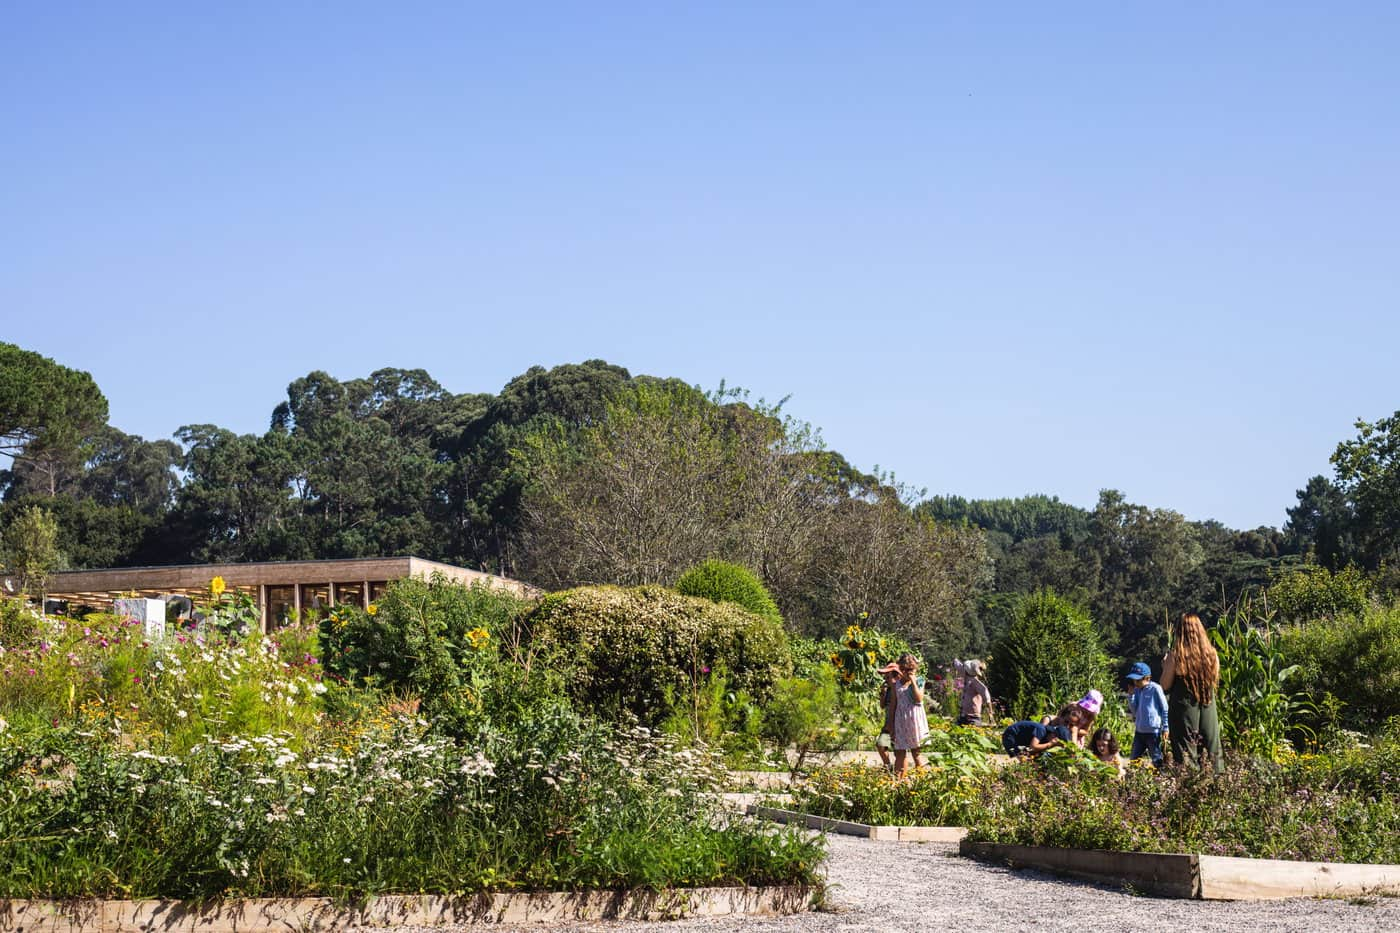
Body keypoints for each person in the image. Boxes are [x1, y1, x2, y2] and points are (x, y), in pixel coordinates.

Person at [1159, 613, 1225, 773]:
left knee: (1185, 751)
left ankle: (1190, 788)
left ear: (1180, 632)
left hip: (1183, 708)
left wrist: (1164, 666)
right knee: (1211, 745)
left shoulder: (1176, 656)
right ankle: (1217, 785)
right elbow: (1215, 679)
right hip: (1207, 705)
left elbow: (1164, 685)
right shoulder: (1212, 655)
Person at [887, 654, 929, 777]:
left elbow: (919, 699)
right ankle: (899, 780)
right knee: (900, 752)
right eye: (904, 669)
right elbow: (893, 705)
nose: (907, 672)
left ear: (915, 669)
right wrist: (891, 725)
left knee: (916, 752)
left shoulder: (920, 681)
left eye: (910, 669)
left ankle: (921, 780)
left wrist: (914, 682)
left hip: (915, 721)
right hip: (901, 721)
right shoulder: (896, 685)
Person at [1125, 661, 1168, 767]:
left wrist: (1165, 727)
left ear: (1147, 678)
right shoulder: (1137, 691)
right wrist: (1131, 696)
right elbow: (1135, 711)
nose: (1136, 683)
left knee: (1157, 759)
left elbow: (1165, 708)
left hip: (1153, 732)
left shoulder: (1155, 689)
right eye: (1134, 680)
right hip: (1139, 732)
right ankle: (1133, 780)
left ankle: (1160, 779)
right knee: (1134, 760)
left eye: (1138, 680)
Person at [1002, 718, 1071, 758]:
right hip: (1011, 737)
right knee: (1022, 759)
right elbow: (1033, 747)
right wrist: (1051, 743)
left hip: (1022, 740)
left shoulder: (1047, 736)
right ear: (1053, 736)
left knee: (1032, 757)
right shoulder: (1041, 730)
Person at [875, 667, 901, 771]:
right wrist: (882, 693)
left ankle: (899, 771)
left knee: (898, 751)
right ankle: (888, 767)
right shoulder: (888, 689)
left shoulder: (898, 689)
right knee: (881, 744)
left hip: (897, 724)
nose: (885, 678)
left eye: (888, 676)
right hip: (888, 724)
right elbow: (882, 706)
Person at [957, 659, 993, 726]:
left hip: (973, 717)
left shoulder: (975, 682)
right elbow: (958, 665)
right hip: (963, 715)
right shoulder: (966, 677)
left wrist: (990, 713)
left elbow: (986, 696)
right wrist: (954, 661)